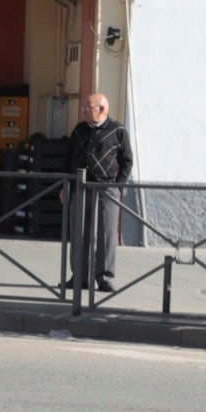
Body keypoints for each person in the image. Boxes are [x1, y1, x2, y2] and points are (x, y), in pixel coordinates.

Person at [68, 92, 134, 292]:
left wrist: (118, 186)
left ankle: (103, 277)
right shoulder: (79, 129)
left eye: (88, 108)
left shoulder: (117, 130)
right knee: (79, 232)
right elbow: (68, 158)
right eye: (84, 108)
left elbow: (126, 160)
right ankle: (79, 276)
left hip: (106, 188)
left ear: (102, 109)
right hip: (80, 187)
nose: (84, 111)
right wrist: (67, 186)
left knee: (106, 233)